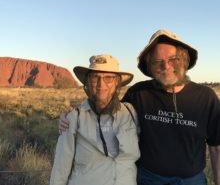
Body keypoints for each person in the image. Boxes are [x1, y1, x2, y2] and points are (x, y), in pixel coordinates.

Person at [59, 30, 220, 185]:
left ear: (184, 59)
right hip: (147, 180)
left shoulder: (206, 97)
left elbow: (216, 149)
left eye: (173, 59)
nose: (166, 66)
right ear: (150, 66)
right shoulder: (139, 93)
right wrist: (71, 117)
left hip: (191, 181)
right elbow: (107, 111)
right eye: (157, 62)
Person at [50, 54, 140, 185]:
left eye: (108, 78)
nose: (100, 84)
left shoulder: (130, 113)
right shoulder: (75, 118)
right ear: (87, 82)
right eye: (95, 77)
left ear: (116, 82)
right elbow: (61, 168)